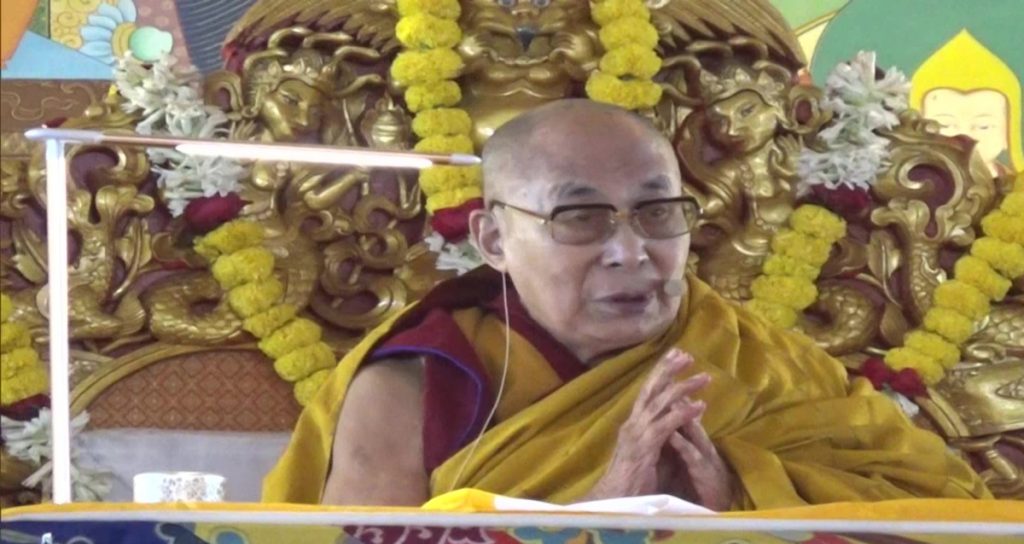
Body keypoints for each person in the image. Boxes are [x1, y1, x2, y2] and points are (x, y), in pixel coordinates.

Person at [262, 100, 990, 510]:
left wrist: (737, 493)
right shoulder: (415, 382)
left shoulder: (753, 362)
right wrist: (604, 513)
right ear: (492, 237)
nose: (630, 250)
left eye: (656, 212)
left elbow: (947, 520)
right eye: (579, 218)